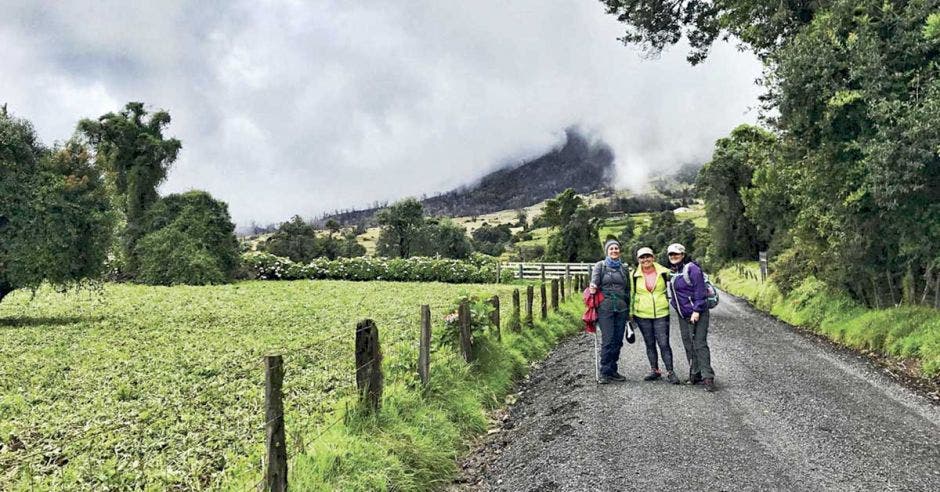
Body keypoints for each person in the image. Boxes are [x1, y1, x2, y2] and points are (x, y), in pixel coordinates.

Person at [666, 243, 716, 392]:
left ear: (683, 255)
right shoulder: (673, 272)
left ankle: (708, 377)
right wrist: (676, 306)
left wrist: (697, 310)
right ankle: (696, 373)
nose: (673, 257)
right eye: (671, 254)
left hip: (698, 312)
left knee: (699, 343)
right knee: (688, 343)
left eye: (676, 254)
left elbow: (700, 291)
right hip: (683, 315)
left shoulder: (692, 268)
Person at [630, 247, 679, 384]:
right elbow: (631, 294)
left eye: (648, 256)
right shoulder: (633, 274)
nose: (645, 259)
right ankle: (655, 370)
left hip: (661, 313)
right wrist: (630, 313)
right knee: (649, 343)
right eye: (642, 257)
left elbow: (680, 282)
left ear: (653, 257)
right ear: (638, 260)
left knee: (664, 343)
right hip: (642, 314)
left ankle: (670, 372)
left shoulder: (664, 272)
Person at [589, 239, 632, 384]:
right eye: (611, 249)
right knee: (608, 340)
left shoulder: (624, 268)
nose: (614, 251)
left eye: (616, 248)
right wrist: (593, 286)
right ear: (607, 251)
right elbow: (593, 284)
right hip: (605, 308)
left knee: (618, 341)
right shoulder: (600, 266)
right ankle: (604, 371)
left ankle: (613, 370)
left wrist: (629, 311)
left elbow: (628, 290)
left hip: (621, 308)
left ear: (619, 251)